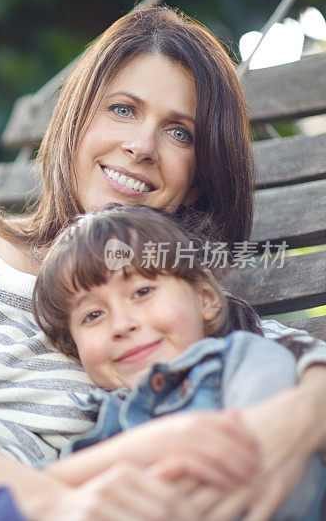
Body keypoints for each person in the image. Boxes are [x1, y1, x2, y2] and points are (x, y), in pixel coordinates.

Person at [0, 6, 326, 520]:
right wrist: (46, 498)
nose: (140, 146)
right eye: (122, 109)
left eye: (179, 132)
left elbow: (296, 360)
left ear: (198, 178)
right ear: (76, 120)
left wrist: (299, 416)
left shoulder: (186, 320)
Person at [31, 204, 325, 520]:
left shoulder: (241, 358)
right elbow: (36, 496)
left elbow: (261, 437)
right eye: (92, 315)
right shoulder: (101, 426)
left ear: (206, 299)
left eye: (142, 291)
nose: (121, 325)